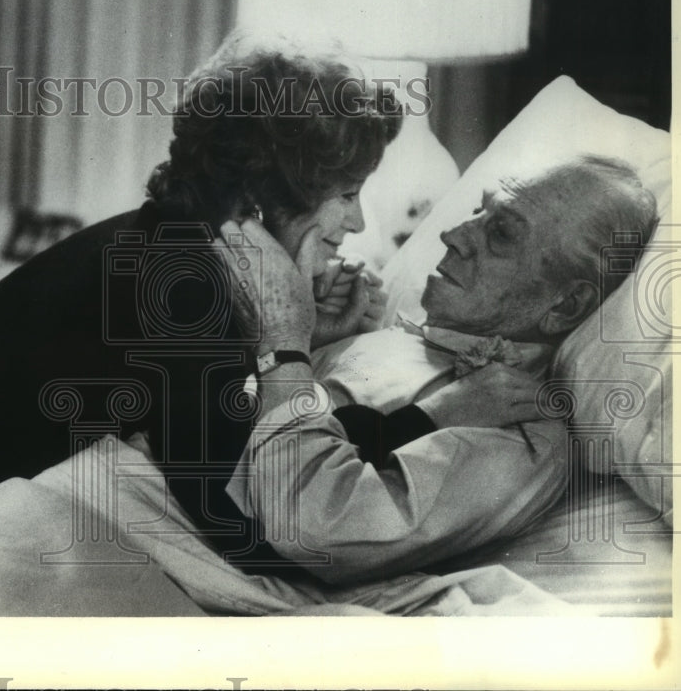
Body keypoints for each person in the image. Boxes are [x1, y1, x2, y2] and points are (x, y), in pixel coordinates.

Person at [0, 32, 539, 570]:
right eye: (345, 193)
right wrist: (435, 417)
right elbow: (247, 525)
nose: (357, 222)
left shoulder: (171, 246)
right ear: (264, 198)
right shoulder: (181, 288)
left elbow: (227, 433)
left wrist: (285, 333)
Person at [221, 157, 658, 583]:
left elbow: (311, 526)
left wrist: (285, 341)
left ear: (564, 306)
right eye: (476, 212)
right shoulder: (408, 339)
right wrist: (320, 341)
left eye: (501, 233)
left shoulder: (514, 428)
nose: (452, 234)